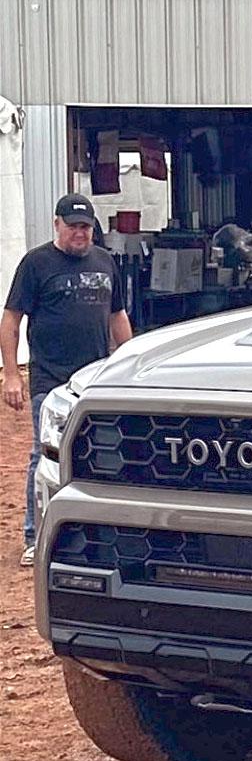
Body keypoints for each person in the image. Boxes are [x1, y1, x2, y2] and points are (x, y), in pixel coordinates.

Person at [2, 194, 133, 566]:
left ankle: (98, 532)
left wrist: (130, 362)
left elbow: (117, 316)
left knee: (101, 453)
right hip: (52, 380)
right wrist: (12, 374)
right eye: (74, 226)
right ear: (57, 225)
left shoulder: (105, 261)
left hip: (97, 380)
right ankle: (36, 534)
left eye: (86, 227)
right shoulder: (36, 264)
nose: (80, 233)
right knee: (44, 455)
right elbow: (11, 319)